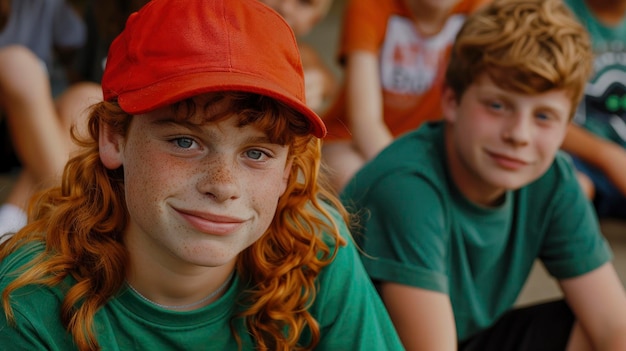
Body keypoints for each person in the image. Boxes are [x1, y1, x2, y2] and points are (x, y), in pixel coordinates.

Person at [0, 1, 404, 350]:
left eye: (257, 152)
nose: (223, 185)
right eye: (184, 142)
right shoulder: (28, 302)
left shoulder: (315, 250)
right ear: (113, 138)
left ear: (288, 171)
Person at [341, 0, 626, 349]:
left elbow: (614, 325)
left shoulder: (552, 181)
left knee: (593, 329)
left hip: (462, 338)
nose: (519, 135)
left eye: (544, 116)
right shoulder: (406, 187)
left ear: (568, 125)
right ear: (451, 100)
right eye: (497, 105)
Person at [321, 0, 489, 192]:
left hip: (425, 145)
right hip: (351, 140)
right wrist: (408, 176)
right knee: (353, 175)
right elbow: (364, 121)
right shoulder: (370, 6)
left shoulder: (478, 8)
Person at [0, 0, 102, 237]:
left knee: (87, 98)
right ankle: (73, 222)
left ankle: (11, 222)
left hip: (32, 120)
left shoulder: (45, 5)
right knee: (17, 64)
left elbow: (72, 42)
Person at [560, 0, 626, 219]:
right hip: (579, 160)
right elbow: (537, 115)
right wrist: (607, 156)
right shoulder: (556, 14)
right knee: (572, 187)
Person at [257, 0, 338, 115]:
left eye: (304, 2)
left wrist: (321, 82)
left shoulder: (301, 53)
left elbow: (329, 81)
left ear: (313, 21)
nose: (286, 7)